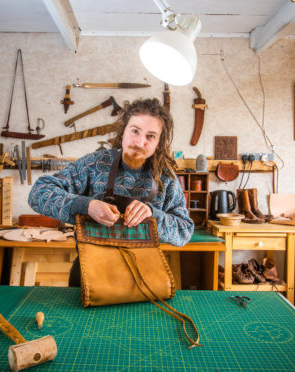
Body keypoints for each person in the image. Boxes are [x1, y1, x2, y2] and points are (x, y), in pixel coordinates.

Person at [28, 98, 194, 286]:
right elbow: (39, 193)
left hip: (144, 283)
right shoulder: (93, 165)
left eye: (150, 136)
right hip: (89, 279)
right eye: (135, 131)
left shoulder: (166, 179)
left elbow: (184, 232)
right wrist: (86, 205)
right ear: (123, 132)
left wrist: (152, 215)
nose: (140, 142)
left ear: (159, 143)